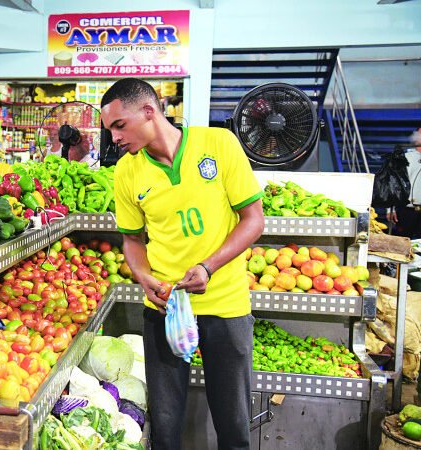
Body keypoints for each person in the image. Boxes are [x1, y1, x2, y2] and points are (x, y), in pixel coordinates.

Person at [100, 78, 265, 450]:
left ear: (148, 111)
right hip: (165, 308)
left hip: (225, 305)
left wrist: (208, 266)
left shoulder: (218, 145)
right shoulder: (127, 171)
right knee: (165, 423)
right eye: (110, 130)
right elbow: (131, 239)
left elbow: (253, 220)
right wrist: (144, 278)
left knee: (234, 422)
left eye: (119, 126)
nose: (114, 138)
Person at [388, 127, 421, 239]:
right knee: (403, 242)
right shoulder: (405, 157)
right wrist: (389, 208)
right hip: (407, 210)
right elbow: (393, 182)